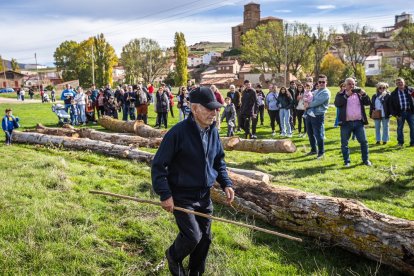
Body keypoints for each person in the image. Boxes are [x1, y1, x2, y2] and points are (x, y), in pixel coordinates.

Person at [151, 86, 234, 276]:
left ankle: (195, 273)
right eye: (209, 108)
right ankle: (173, 256)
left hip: (204, 195)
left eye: (216, 108)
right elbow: (159, 166)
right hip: (182, 195)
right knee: (192, 237)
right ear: (194, 108)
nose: (214, 113)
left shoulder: (213, 131)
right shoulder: (178, 133)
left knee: (205, 239)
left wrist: (226, 183)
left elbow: (218, 160)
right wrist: (165, 194)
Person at [334, 77, 372, 166]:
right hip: (346, 123)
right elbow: (337, 104)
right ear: (345, 85)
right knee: (344, 143)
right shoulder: (340, 94)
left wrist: (364, 94)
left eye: (353, 84)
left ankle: (366, 160)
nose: (352, 85)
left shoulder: (359, 94)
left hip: (359, 123)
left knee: (364, 142)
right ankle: (347, 161)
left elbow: (368, 103)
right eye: (349, 84)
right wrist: (347, 95)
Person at [305, 74, 331, 159]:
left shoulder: (326, 92)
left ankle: (321, 152)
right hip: (309, 114)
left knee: (318, 134)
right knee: (310, 133)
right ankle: (313, 150)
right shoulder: (316, 91)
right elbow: (307, 96)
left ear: (326, 82)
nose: (321, 83)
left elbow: (316, 102)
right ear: (318, 82)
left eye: (323, 82)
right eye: (320, 82)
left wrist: (307, 105)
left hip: (318, 116)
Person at [388, 77, 414, 147]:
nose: (400, 84)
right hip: (400, 113)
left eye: (401, 82)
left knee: (413, 127)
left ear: (404, 82)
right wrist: (395, 114)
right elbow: (391, 106)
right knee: (400, 128)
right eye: (398, 83)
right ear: (396, 84)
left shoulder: (410, 90)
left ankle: (413, 143)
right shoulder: (393, 94)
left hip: (410, 112)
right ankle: (400, 143)